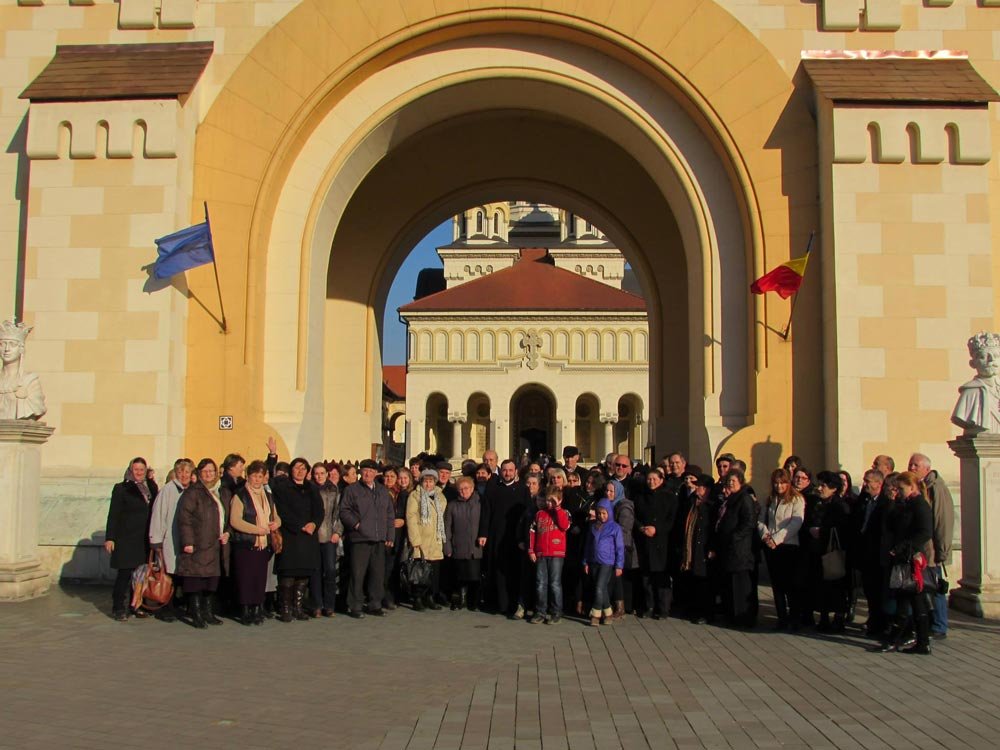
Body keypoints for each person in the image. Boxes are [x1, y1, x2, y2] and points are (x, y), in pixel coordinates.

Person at [876, 472, 934, 655]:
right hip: (902, 558)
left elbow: (925, 532)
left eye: (901, 488)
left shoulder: (920, 505)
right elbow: (891, 525)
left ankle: (907, 640)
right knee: (908, 599)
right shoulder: (905, 504)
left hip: (911, 558)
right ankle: (916, 641)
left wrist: (903, 547)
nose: (898, 492)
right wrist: (892, 502)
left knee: (912, 599)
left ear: (912, 487)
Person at [175, 458, 229, 629]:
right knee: (195, 581)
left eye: (211, 471)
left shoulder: (219, 491)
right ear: (199, 473)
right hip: (198, 544)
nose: (208, 474)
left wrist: (227, 532)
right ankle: (196, 613)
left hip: (215, 545)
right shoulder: (193, 492)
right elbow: (185, 519)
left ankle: (208, 612)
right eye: (205, 471)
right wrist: (188, 541)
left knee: (211, 581)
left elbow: (226, 517)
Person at [104, 457, 159, 621]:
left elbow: (156, 502)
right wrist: (110, 538)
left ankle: (135, 605)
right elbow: (113, 514)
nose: (139, 472)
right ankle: (118, 607)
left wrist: (151, 480)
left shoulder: (149, 487)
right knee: (125, 574)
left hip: (143, 539)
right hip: (126, 539)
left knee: (140, 575)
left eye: (142, 469)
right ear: (130, 470)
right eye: (136, 469)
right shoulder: (121, 488)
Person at [340, 458, 395, 618]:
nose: (368, 474)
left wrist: (390, 534)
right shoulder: (352, 490)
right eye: (365, 471)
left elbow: (389, 514)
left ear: (376, 473)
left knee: (377, 574)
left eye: (371, 471)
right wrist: (356, 524)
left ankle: (375, 604)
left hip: (379, 538)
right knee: (357, 574)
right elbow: (344, 510)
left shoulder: (382, 491)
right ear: (361, 472)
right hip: (360, 538)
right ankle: (355, 606)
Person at [906, 453, 954, 638]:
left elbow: (942, 521)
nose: (912, 468)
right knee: (924, 586)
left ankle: (939, 625)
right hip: (922, 548)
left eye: (915, 465)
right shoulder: (920, 486)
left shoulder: (936, 488)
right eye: (910, 464)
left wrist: (942, 550)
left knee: (935, 587)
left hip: (932, 548)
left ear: (927, 468)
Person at [271, 457, 324, 622]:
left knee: (303, 573)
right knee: (288, 572)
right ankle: (285, 608)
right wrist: (299, 525)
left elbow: (319, 510)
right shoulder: (282, 488)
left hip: (309, 536)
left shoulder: (312, 488)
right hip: (290, 535)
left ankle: (298, 607)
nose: (300, 471)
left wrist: (314, 524)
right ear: (291, 470)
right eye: (296, 468)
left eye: (303, 468)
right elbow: (282, 511)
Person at [229, 460, 281, 625]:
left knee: (259, 579)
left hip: (263, 544)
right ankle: (245, 610)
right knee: (245, 579)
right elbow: (235, 521)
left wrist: (276, 523)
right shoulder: (240, 495)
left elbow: (276, 516)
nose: (257, 479)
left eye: (260, 476)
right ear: (248, 476)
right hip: (246, 543)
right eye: (254, 476)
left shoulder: (268, 496)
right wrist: (256, 530)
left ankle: (257, 608)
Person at [478, 459, 528, 616]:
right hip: (496, 534)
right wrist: (483, 533)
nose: (507, 473)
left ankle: (514, 604)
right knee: (496, 569)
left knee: (513, 571)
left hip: (515, 537)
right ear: (500, 472)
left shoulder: (523, 489)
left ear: (516, 472)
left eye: (510, 470)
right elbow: (486, 512)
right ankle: (498, 604)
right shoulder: (493, 489)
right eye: (505, 470)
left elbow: (527, 514)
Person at [148, 457, 194, 622]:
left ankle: (180, 605)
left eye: (187, 472)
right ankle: (165, 607)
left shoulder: (192, 490)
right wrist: (156, 540)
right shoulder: (168, 490)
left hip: (186, 541)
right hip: (169, 540)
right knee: (167, 575)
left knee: (182, 575)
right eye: (180, 471)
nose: (184, 475)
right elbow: (158, 515)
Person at [758, 469, 804, 630]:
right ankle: (781, 618)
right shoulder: (770, 499)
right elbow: (761, 520)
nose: (779, 486)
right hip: (771, 546)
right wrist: (765, 536)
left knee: (790, 585)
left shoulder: (796, 499)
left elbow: (796, 523)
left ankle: (794, 618)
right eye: (776, 483)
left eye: (782, 483)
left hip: (788, 545)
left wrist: (777, 539)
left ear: (788, 483)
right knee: (777, 585)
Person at [709, 469, 755, 627]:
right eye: (728, 481)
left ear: (741, 482)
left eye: (733, 481)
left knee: (740, 586)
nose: (730, 484)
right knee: (730, 585)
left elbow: (748, 522)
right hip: (727, 549)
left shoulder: (744, 498)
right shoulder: (730, 499)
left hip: (739, 549)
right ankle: (731, 615)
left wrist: (734, 536)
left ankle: (742, 618)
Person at [807, 471, 851, 632]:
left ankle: (839, 619)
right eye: (819, 485)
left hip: (834, 552)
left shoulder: (840, 505)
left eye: (823, 486)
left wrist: (822, 531)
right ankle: (824, 618)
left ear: (833, 488)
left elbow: (843, 529)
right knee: (821, 586)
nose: (819, 488)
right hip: (819, 551)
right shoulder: (818, 503)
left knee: (837, 586)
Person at [635, 467, 677, 619]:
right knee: (646, 576)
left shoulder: (670, 497)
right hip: (645, 539)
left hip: (662, 541)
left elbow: (671, 519)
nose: (651, 482)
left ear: (661, 480)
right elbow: (635, 516)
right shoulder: (640, 497)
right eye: (649, 479)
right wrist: (641, 528)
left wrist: (657, 529)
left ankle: (663, 608)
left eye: (654, 479)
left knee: (661, 576)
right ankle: (649, 606)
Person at [528, 486, 571, 624]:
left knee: (555, 584)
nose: (549, 503)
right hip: (541, 553)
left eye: (552, 501)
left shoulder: (564, 512)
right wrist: (531, 550)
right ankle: (540, 611)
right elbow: (532, 532)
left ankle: (556, 612)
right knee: (540, 583)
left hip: (556, 553)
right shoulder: (540, 514)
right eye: (548, 500)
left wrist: (557, 508)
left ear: (560, 500)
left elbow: (564, 526)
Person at [407, 468, 448, 611]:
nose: (428, 484)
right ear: (421, 482)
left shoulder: (440, 497)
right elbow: (411, 517)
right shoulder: (415, 496)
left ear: (435, 482)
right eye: (426, 481)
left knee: (433, 571)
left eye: (431, 481)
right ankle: (417, 598)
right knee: (420, 571)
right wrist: (415, 539)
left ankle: (430, 596)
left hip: (435, 540)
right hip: (421, 539)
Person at [855, 469, 888, 637]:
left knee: (878, 592)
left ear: (878, 483)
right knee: (869, 590)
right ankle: (873, 620)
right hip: (866, 552)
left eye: (868, 481)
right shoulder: (866, 500)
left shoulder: (884, 503)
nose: (865, 484)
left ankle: (880, 624)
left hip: (878, 554)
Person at [680, 474, 715, 623]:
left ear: (706, 489)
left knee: (704, 582)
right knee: (693, 579)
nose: (696, 487)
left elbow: (714, 530)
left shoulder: (711, 506)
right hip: (692, 546)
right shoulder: (692, 502)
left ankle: (705, 613)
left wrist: (712, 547)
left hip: (704, 548)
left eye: (699, 485)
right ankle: (694, 610)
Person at [583, 499, 624, 626]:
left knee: (599, 587)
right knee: (602, 588)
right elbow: (588, 545)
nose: (601, 516)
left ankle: (596, 613)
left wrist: (619, 565)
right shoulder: (593, 526)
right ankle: (608, 613)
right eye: (599, 513)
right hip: (594, 560)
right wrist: (585, 561)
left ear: (609, 512)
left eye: (604, 513)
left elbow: (620, 547)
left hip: (607, 562)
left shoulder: (615, 528)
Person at [444, 475, 482, 610]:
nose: (463, 491)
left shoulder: (479, 503)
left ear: (472, 489)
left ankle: (474, 601)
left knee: (474, 575)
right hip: (458, 545)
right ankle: (461, 599)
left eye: (466, 488)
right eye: (460, 489)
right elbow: (447, 527)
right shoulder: (452, 505)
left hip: (475, 547)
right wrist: (447, 546)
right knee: (460, 576)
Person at [310, 461, 342, 617]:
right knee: (315, 571)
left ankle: (329, 606)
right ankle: (316, 605)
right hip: (313, 535)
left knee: (330, 570)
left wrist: (337, 531)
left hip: (329, 534)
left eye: (322, 473)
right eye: (316, 474)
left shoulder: (333, 489)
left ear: (327, 474)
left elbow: (338, 512)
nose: (319, 476)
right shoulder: (310, 489)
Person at [384, 465, 408, 609]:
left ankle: (393, 595)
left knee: (394, 565)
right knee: (386, 567)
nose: (389, 479)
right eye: (387, 476)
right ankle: (386, 596)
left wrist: (403, 520)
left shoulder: (402, 494)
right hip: (385, 533)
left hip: (398, 534)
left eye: (392, 476)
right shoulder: (381, 492)